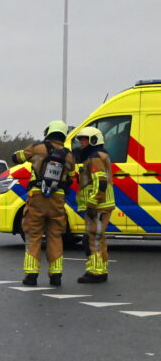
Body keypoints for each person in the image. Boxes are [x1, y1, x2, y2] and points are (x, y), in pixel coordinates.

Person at [12, 120, 76, 286]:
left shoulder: (37, 148)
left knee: (34, 235)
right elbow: (72, 172)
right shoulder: (68, 155)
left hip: (38, 196)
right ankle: (56, 276)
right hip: (57, 198)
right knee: (55, 236)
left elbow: (17, 158)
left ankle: (31, 275)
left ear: (48, 132)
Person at [75, 126, 114, 283]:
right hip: (103, 204)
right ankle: (101, 270)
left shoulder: (95, 157)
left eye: (84, 139)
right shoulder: (99, 155)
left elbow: (100, 182)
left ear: (93, 140)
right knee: (99, 237)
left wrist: (91, 204)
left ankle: (95, 272)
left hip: (98, 205)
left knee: (93, 237)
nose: (81, 143)